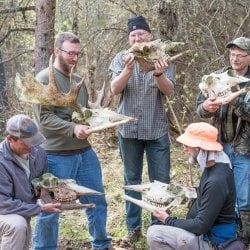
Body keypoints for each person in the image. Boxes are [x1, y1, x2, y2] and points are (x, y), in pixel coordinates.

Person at [32, 32, 116, 250]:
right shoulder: (44, 79)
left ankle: (101, 245)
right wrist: (72, 128)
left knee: (97, 201)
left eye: (77, 54)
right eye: (70, 53)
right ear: (57, 51)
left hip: (84, 153)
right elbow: (43, 119)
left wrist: (99, 119)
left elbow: (83, 112)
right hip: (56, 156)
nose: (74, 58)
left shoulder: (77, 80)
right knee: (51, 208)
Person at [109, 15, 175, 242]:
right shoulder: (120, 59)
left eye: (141, 34)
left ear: (149, 34)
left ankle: (159, 226)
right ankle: (133, 228)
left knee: (160, 182)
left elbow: (169, 91)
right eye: (133, 35)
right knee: (132, 180)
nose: (137, 38)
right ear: (129, 38)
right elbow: (114, 90)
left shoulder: (162, 57)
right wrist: (127, 70)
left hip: (156, 130)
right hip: (128, 131)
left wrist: (159, 74)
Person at [147, 122, 237, 249]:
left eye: (187, 145)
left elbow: (201, 226)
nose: (184, 149)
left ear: (200, 149)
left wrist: (167, 219)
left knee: (155, 233)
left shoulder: (217, 180)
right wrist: (190, 191)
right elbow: (208, 196)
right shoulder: (214, 167)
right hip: (206, 235)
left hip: (213, 242)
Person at [196, 36, 250, 245]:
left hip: (243, 149)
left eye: (240, 55)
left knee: (243, 197)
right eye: (232, 54)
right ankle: (216, 237)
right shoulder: (216, 77)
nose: (235, 59)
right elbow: (199, 107)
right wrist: (206, 108)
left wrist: (234, 96)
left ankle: (243, 240)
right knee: (216, 193)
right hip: (216, 147)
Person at [0, 114, 61, 250]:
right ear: (10, 139)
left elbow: (40, 183)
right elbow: (3, 204)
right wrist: (39, 208)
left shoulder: (39, 152)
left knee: (22, 238)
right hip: (4, 209)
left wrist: (58, 193)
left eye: (34, 141)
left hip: (19, 207)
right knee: (17, 225)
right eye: (26, 143)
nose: (32, 146)